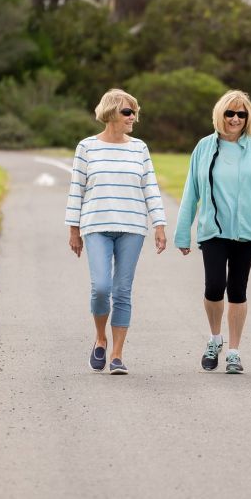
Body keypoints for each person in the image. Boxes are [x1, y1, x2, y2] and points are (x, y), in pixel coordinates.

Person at [174, 90, 251, 374]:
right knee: (213, 286)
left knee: (237, 290)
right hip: (213, 231)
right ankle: (214, 338)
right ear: (220, 115)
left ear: (248, 118)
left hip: (247, 233)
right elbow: (190, 193)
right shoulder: (205, 147)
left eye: (241, 114)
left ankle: (233, 351)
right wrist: (183, 233)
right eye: (230, 113)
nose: (235, 119)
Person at [65, 88, 167, 375]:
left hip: (132, 227)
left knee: (122, 291)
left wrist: (159, 225)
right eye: (127, 111)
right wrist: (74, 230)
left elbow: (151, 189)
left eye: (134, 111)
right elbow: (77, 190)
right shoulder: (86, 147)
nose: (133, 116)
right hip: (96, 226)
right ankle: (100, 338)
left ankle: (117, 355)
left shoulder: (139, 148)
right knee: (101, 288)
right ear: (110, 113)